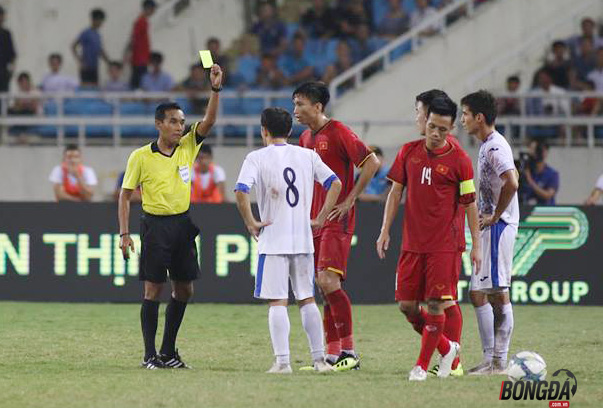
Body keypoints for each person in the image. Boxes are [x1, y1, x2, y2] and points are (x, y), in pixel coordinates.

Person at [118, 64, 223, 370]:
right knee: (153, 288)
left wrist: (215, 89)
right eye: (174, 122)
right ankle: (149, 355)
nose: (180, 127)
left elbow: (210, 120)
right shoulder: (140, 156)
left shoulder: (188, 146)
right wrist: (124, 234)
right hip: (155, 226)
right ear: (159, 124)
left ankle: (168, 352)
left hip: (182, 224)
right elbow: (125, 196)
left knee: (186, 289)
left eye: (182, 122)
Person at [376, 96, 481, 381]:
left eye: (443, 130)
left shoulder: (460, 160)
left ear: (451, 130)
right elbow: (396, 192)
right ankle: (447, 349)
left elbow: (470, 204)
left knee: (437, 303)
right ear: (426, 122)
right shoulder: (407, 152)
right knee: (407, 306)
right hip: (412, 243)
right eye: (432, 126)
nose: (436, 134)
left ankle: (421, 366)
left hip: (443, 245)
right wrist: (385, 229)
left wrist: (476, 246)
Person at [234, 107, 343, 374]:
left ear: (264, 130)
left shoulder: (256, 157)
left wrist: (251, 222)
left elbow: (241, 190)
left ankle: (283, 362)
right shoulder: (307, 155)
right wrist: (320, 217)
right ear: (290, 130)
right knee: (307, 299)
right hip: (302, 239)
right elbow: (335, 183)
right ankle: (319, 360)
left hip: (273, 239)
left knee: (278, 301)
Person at [295, 81, 380, 370]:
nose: (295, 110)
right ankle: (332, 355)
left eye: (300, 104)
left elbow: (372, 163)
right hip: (314, 220)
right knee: (324, 286)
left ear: (318, 107)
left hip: (336, 219)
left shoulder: (339, 132)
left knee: (327, 282)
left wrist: (351, 199)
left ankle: (350, 353)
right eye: (294, 104)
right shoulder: (305, 138)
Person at [460, 90, 519, 375]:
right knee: (477, 293)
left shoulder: (495, 148)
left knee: (497, 293)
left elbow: (512, 182)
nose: (462, 120)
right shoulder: (486, 145)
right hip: (489, 227)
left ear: (479, 117)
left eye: (465, 114)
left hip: (498, 227)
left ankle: (498, 362)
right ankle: (489, 358)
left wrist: (496, 214)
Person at [412, 89, 465, 377]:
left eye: (419, 110)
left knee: (445, 300)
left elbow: (465, 196)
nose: (417, 117)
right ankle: (449, 354)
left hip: (446, 238)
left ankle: (452, 360)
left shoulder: (451, 150)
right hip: (427, 238)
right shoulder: (419, 150)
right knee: (427, 302)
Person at [71, 8, 110, 87]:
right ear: (94, 20)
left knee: (95, 88)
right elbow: (73, 46)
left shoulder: (97, 35)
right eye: (100, 21)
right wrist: (80, 61)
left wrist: (109, 62)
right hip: (86, 67)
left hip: (94, 67)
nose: (101, 23)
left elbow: (99, 50)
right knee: (85, 89)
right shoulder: (86, 33)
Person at [126, 0, 157, 89]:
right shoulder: (141, 22)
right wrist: (130, 55)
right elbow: (134, 40)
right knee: (138, 84)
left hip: (142, 59)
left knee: (140, 83)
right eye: (153, 9)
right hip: (139, 59)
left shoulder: (143, 22)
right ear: (148, 8)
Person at [520, 139, 559, 205]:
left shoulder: (552, 174)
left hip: (545, 212)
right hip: (526, 211)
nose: (532, 153)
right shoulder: (525, 171)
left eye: (535, 150)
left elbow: (548, 195)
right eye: (530, 149)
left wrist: (530, 181)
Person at [0, 5, 16, 94]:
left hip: (3, 72)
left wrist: (11, 71)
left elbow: (12, 54)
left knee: (3, 97)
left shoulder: (6, 34)